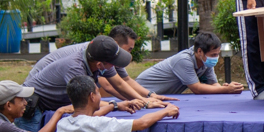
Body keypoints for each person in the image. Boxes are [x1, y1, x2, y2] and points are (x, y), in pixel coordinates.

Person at [17, 35, 147, 132]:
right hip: (32, 107)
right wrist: (117, 105)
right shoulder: (75, 68)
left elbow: (115, 84)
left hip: (46, 106)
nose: (115, 67)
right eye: (113, 63)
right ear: (100, 64)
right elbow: (88, 102)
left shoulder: (92, 62)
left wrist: (144, 100)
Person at [29, 26, 174, 103]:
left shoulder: (106, 55)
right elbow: (109, 86)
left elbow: (124, 81)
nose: (130, 54)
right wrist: (140, 102)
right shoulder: (93, 57)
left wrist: (149, 96)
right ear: (115, 45)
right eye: (129, 49)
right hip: (36, 94)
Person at [136, 32, 244, 95]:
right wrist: (224, 90)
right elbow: (196, 88)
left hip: (158, 97)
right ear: (200, 51)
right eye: (213, 55)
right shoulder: (183, 60)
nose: (216, 58)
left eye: (217, 54)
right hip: (140, 93)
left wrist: (225, 88)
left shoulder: (205, 61)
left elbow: (213, 85)